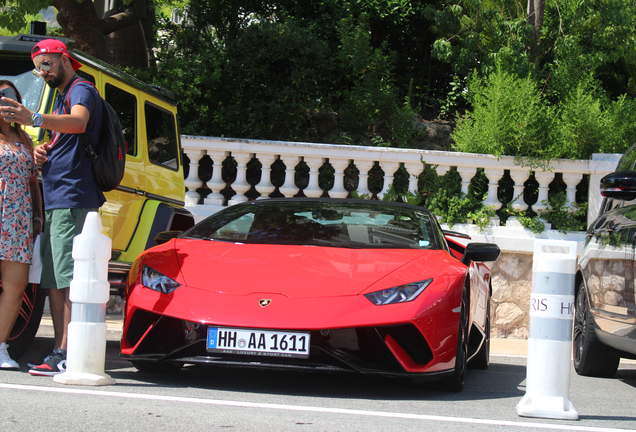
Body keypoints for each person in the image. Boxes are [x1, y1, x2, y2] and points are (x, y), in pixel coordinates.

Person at [0, 39, 105, 376]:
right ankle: (62, 349)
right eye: (38, 67)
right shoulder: (62, 95)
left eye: (47, 64)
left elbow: (79, 122)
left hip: (71, 197)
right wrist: (46, 152)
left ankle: (64, 351)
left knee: (65, 279)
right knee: (55, 279)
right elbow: (68, 134)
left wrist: (35, 117)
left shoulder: (81, 88)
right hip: (58, 198)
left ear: (64, 59)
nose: (43, 72)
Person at [0, 80, 43, 370]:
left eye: (13, 98)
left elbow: (32, 182)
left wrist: (38, 215)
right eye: (2, 97)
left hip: (19, 221)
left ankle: (1, 346)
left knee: (16, 287)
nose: (7, 102)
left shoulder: (25, 140)